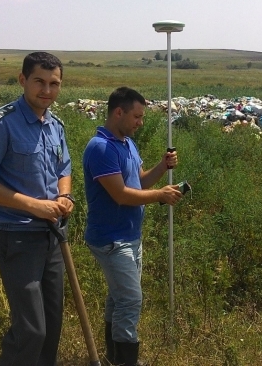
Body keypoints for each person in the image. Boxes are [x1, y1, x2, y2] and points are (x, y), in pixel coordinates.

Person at [0, 51, 74, 366]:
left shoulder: (55, 124)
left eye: (54, 83)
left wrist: (64, 197)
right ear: (22, 80)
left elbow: (63, 169)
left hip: (52, 237)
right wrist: (36, 206)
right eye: (39, 81)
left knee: (52, 327)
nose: (47, 90)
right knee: (31, 331)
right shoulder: (1, 124)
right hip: (17, 236)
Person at [82, 86, 183, 366]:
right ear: (119, 112)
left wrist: (162, 167)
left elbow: (138, 182)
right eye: (137, 116)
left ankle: (114, 357)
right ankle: (127, 361)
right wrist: (160, 196)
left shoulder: (126, 143)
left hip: (129, 236)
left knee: (119, 298)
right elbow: (122, 195)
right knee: (130, 300)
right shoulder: (101, 148)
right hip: (111, 240)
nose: (141, 122)